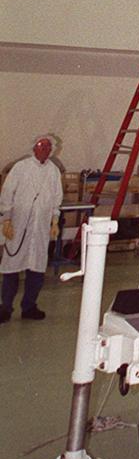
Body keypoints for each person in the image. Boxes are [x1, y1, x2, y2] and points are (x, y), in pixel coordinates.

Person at [0, 134, 63, 322]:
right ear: (34, 147)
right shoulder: (21, 168)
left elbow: (56, 198)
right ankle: (5, 307)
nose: (45, 149)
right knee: (11, 268)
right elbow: (7, 193)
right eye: (42, 145)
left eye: (48, 146)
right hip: (18, 226)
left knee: (36, 268)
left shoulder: (54, 171)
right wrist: (7, 219)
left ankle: (29, 306)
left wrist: (55, 220)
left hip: (41, 228)